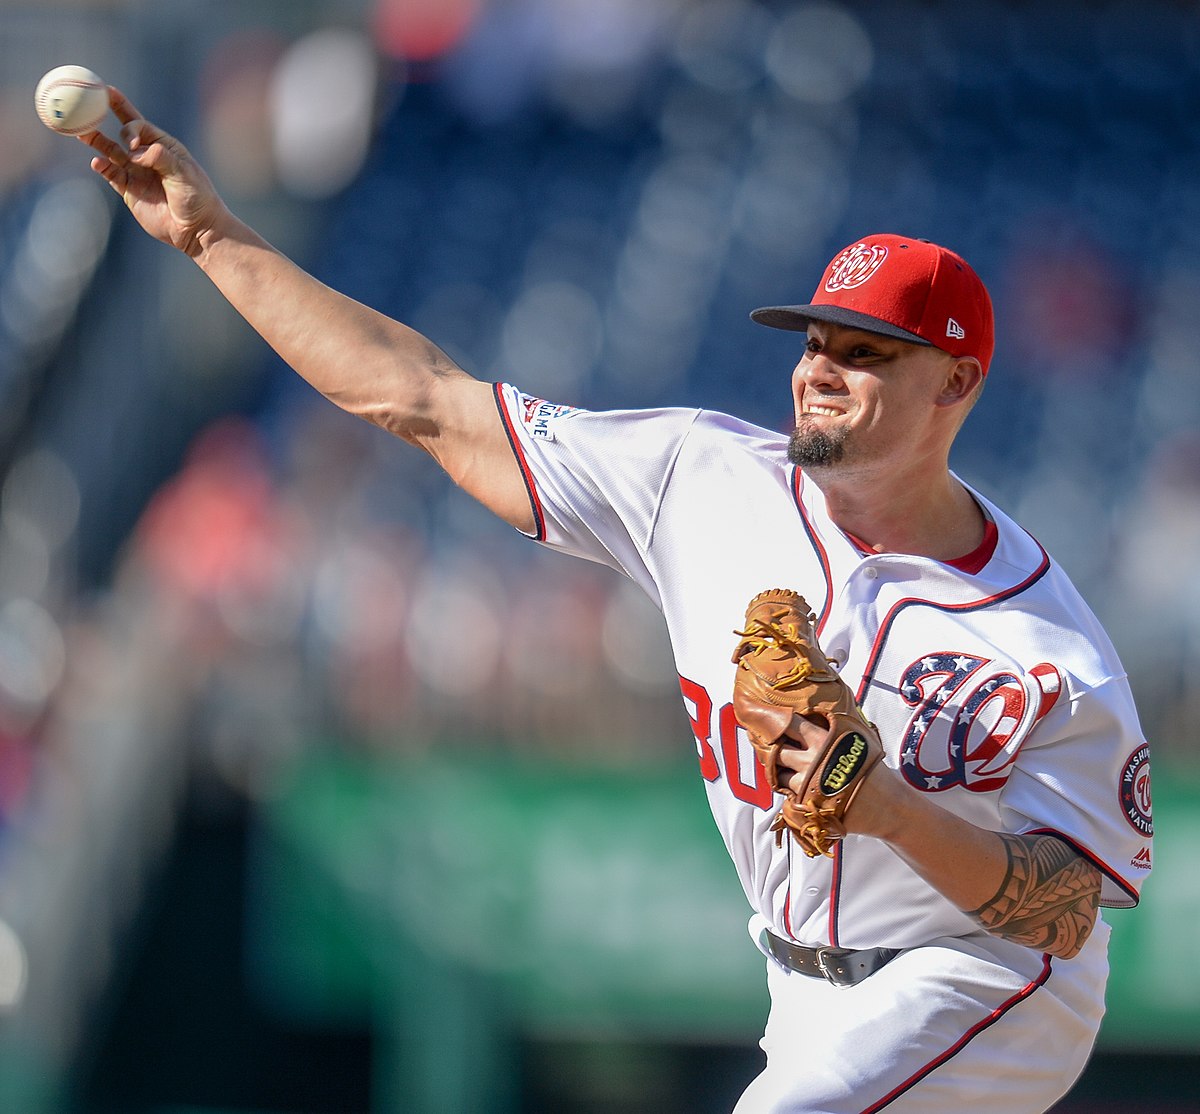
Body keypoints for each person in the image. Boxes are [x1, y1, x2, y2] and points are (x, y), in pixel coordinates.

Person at [79, 88, 1152, 1113]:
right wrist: (214, 237)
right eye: (814, 340)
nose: (818, 369)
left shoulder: (1046, 644)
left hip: (985, 980)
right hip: (801, 985)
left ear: (957, 385)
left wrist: (888, 810)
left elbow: (1064, 913)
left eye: (864, 353)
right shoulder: (700, 475)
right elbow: (425, 400)